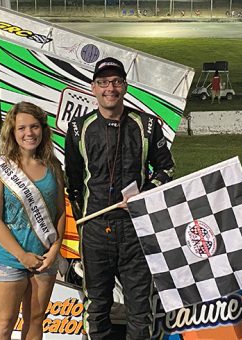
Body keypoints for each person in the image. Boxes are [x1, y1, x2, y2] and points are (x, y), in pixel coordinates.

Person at [64, 57, 175, 339]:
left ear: (124, 87)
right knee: (97, 307)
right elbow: (73, 183)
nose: (109, 88)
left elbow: (166, 168)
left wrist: (144, 195)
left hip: (136, 230)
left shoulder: (147, 125)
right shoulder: (78, 128)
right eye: (103, 83)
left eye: (115, 82)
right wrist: (83, 224)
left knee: (140, 309)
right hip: (95, 230)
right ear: (93, 88)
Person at [0, 101, 67, 340]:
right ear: (12, 132)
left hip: (44, 258)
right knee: (4, 322)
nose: (29, 133)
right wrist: (22, 256)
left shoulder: (53, 166)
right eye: (21, 128)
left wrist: (54, 251)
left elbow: (60, 212)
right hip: (8, 258)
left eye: (34, 127)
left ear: (43, 129)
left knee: (35, 320)